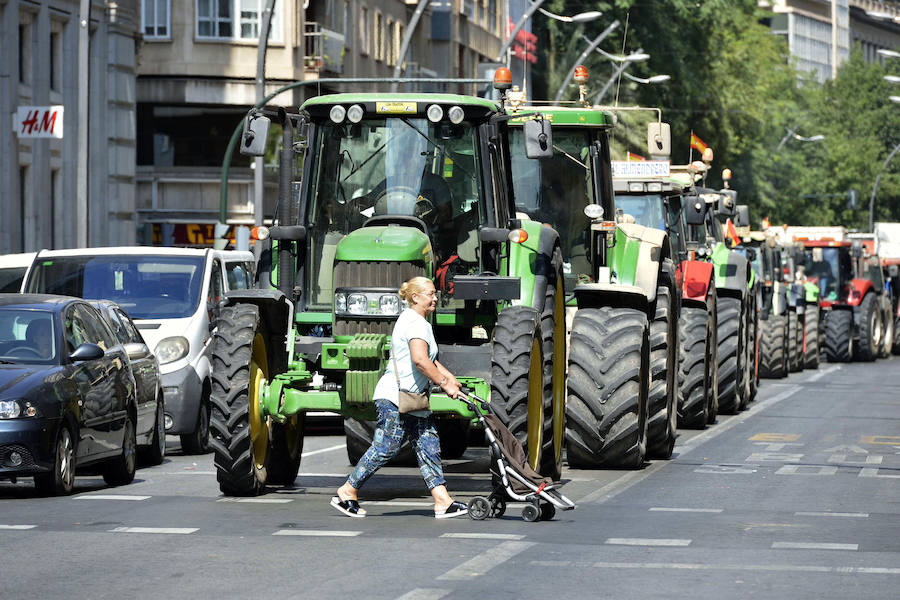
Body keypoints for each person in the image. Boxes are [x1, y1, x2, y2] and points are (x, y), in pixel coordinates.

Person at [332, 276, 468, 519]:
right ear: (415, 297)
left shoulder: (417, 321)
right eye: (430, 294)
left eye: (435, 293)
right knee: (387, 446)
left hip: (412, 397)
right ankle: (347, 490)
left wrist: (451, 378)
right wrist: (444, 384)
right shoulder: (415, 322)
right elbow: (420, 360)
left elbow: (431, 359)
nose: (435, 298)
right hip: (396, 397)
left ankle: (442, 500)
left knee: (428, 445)